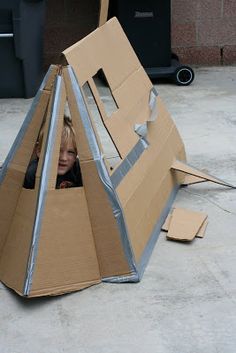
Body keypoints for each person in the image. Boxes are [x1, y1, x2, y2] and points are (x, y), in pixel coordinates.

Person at [23, 116, 83, 189]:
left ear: (76, 155)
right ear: (39, 151)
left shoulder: (79, 170)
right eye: (57, 151)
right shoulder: (34, 173)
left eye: (70, 152)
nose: (64, 158)